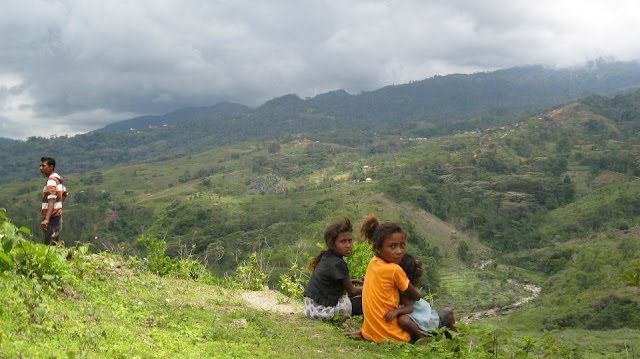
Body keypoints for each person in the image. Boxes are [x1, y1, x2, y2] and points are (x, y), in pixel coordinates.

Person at [358, 216, 422, 343]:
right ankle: (427, 339)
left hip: (370, 334)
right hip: (393, 337)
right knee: (436, 316)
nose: (399, 251)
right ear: (378, 248)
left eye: (402, 245)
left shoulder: (373, 263)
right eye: (393, 246)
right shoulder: (394, 269)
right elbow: (416, 296)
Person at [303, 218, 363, 320]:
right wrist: (372, 288)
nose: (348, 245)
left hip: (310, 308)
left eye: (350, 241)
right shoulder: (338, 263)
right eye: (343, 242)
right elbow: (352, 291)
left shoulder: (327, 257)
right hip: (322, 311)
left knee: (358, 296)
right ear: (332, 244)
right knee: (367, 300)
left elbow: (335, 282)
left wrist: (356, 281)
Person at [394, 253, 457, 337]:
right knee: (447, 313)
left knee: (447, 313)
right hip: (420, 317)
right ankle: (426, 338)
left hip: (423, 316)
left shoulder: (404, 286)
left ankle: (452, 342)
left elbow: (416, 297)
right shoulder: (400, 285)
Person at [39, 156, 67, 245]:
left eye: (43, 166)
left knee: (48, 244)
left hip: (52, 217)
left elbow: (52, 199)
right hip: (57, 216)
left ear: (51, 167)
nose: (41, 168)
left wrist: (47, 219)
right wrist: (58, 207)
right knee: (54, 241)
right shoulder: (58, 179)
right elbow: (65, 194)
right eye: (40, 166)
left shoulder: (51, 180)